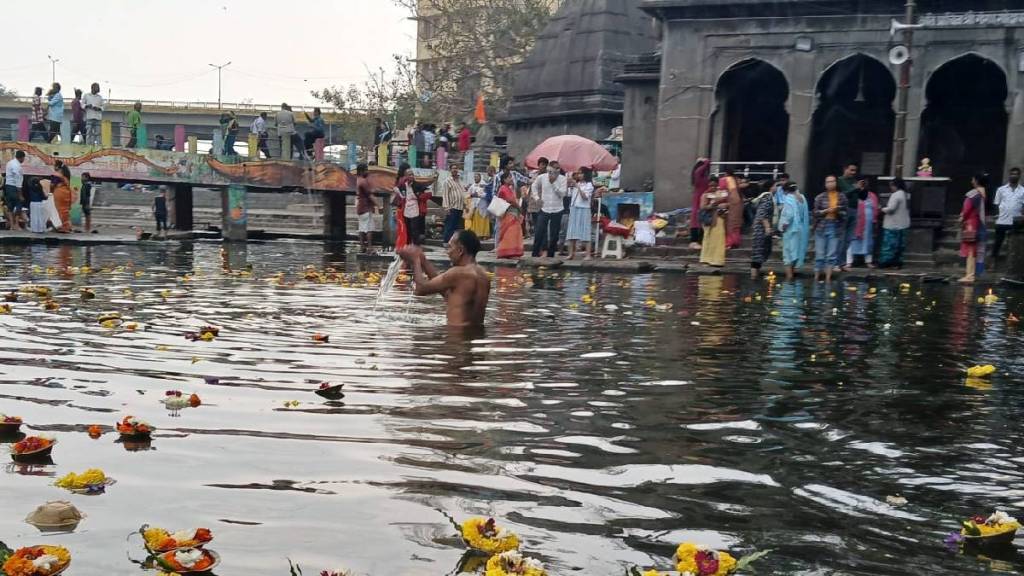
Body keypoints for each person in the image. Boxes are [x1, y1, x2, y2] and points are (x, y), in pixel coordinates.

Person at [397, 230, 491, 328]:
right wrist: (423, 261)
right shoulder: (483, 275)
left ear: (460, 251)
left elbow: (420, 289)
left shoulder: (458, 272)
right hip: (474, 335)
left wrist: (415, 260)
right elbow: (449, 295)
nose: (447, 252)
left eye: (450, 247)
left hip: (455, 338)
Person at [812, 175, 848, 283]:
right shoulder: (820, 197)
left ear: (836, 183)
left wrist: (837, 211)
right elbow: (815, 213)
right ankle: (816, 278)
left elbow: (845, 213)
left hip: (835, 225)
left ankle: (828, 279)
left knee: (831, 254)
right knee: (819, 254)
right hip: (821, 226)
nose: (830, 184)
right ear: (825, 184)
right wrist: (825, 211)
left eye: (832, 181)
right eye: (828, 182)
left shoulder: (841, 197)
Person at [532, 159, 568, 258]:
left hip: (557, 209)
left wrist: (553, 183)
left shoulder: (562, 179)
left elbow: (563, 194)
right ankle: (535, 254)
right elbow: (534, 186)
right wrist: (537, 198)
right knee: (539, 231)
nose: (556, 171)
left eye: (558, 169)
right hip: (544, 208)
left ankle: (551, 255)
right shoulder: (542, 177)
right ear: (549, 169)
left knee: (554, 234)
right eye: (553, 169)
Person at [959, 173, 988, 284]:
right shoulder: (982, 194)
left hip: (971, 224)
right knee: (974, 250)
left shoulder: (973, 194)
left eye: (972, 179)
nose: (971, 181)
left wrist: (961, 218)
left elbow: (966, 209)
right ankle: (972, 274)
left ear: (976, 181)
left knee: (970, 251)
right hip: (978, 223)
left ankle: (969, 275)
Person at [393, 163, 430, 246]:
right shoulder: (402, 184)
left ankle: (415, 247)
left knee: (414, 230)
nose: (411, 176)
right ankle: (407, 246)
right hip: (405, 210)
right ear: (405, 176)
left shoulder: (417, 185)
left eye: (412, 174)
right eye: (409, 175)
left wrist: (419, 196)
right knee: (407, 229)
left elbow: (428, 192)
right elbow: (396, 190)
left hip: (415, 210)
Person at [992, 167, 1024, 263]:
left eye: (1016, 174)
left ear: (1019, 176)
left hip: (1016, 221)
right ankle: (993, 261)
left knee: (1015, 243)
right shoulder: (1001, 190)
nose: (1014, 175)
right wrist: (997, 215)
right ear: (1009, 175)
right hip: (1002, 220)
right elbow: (996, 203)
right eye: (1012, 174)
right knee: (998, 242)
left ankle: (1013, 263)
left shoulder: (1023, 190)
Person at [778, 183, 810, 281]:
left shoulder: (789, 198)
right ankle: (792, 276)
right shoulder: (802, 198)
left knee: (787, 255)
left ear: (786, 191)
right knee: (795, 253)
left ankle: (789, 279)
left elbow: (789, 215)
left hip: (791, 229)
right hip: (800, 228)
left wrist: (783, 226)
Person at [845, 177, 879, 268]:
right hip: (856, 221)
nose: (863, 185)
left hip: (868, 224)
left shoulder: (872, 195)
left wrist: (874, 221)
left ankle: (868, 261)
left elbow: (875, 209)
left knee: (868, 242)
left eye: (865, 183)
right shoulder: (854, 194)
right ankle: (849, 261)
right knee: (852, 240)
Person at [878, 178, 911, 269]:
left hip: (892, 225)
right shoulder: (906, 195)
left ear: (895, 185)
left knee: (889, 245)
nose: (891, 188)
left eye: (891, 185)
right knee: (900, 245)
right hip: (903, 224)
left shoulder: (896, 195)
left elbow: (891, 209)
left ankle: (885, 262)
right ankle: (897, 263)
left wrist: (881, 208)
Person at [566, 166, 595, 259]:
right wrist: (569, 184)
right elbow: (568, 194)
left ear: (585, 174)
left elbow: (585, 197)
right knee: (572, 231)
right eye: (578, 173)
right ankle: (571, 253)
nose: (579, 175)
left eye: (581, 173)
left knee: (585, 231)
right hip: (574, 208)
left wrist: (577, 186)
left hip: (584, 209)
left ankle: (588, 254)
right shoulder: (575, 185)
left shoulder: (589, 185)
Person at [699, 178, 728, 267]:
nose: (713, 187)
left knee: (719, 239)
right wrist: (714, 204)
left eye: (715, 185)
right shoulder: (705, 194)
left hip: (719, 218)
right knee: (708, 239)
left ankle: (717, 260)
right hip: (709, 220)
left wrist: (724, 205)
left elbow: (728, 202)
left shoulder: (721, 193)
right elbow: (703, 207)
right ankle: (706, 259)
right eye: (711, 185)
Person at [495, 172, 523, 259]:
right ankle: (508, 253)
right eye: (509, 177)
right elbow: (511, 200)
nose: (511, 179)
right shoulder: (504, 188)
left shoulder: (507, 188)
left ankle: (511, 252)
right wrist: (519, 207)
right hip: (509, 213)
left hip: (510, 213)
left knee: (512, 233)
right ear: (504, 180)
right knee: (511, 233)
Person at [837, 162, 859, 270]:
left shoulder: (854, 182)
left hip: (855, 210)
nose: (853, 173)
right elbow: (843, 194)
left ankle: (842, 263)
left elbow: (862, 197)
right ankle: (836, 263)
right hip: (844, 210)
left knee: (848, 239)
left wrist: (863, 188)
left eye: (855, 171)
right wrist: (855, 188)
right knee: (841, 238)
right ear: (845, 169)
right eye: (851, 170)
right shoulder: (839, 181)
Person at [750, 187, 775, 279]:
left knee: (760, 252)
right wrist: (767, 227)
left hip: (759, 229)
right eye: (776, 186)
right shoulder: (767, 198)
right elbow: (762, 214)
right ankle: (754, 276)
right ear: (771, 187)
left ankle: (756, 274)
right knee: (758, 252)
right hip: (761, 230)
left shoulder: (764, 197)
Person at [440, 163, 467, 243]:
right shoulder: (447, 181)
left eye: (456, 168)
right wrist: (446, 207)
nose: (455, 170)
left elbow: (462, 192)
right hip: (452, 207)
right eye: (453, 168)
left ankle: (452, 242)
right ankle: (446, 241)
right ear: (450, 170)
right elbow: (445, 195)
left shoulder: (459, 180)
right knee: (450, 226)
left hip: (460, 207)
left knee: (456, 226)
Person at [355, 163, 378, 253]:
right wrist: (378, 205)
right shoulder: (363, 182)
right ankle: (370, 248)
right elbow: (370, 196)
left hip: (360, 208)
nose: (367, 171)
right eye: (366, 170)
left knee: (361, 228)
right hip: (365, 208)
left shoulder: (358, 180)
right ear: (361, 171)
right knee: (369, 229)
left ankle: (362, 247)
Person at [720, 169, 743, 248]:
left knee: (730, 224)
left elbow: (723, 193)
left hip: (731, 203)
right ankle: (736, 242)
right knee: (736, 224)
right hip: (739, 204)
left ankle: (730, 242)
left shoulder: (725, 179)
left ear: (726, 173)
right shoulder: (735, 180)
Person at [3, 151, 25, 230]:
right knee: (19, 204)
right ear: (22, 157)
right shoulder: (17, 166)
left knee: (10, 206)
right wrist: (20, 194)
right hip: (14, 187)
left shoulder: (9, 163)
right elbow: (18, 181)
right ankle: (16, 225)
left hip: (8, 186)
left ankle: (12, 225)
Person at [465, 173, 490, 239]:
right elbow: (468, 194)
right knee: (476, 220)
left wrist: (477, 195)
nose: (475, 178)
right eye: (475, 177)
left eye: (477, 177)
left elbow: (486, 194)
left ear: (480, 177)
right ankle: (478, 234)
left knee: (484, 220)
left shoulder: (484, 184)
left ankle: (485, 235)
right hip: (475, 205)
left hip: (483, 205)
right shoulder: (473, 185)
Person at [50, 162, 73, 233]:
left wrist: (50, 192)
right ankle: (67, 226)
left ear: (57, 167)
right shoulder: (66, 175)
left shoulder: (56, 174)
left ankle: (61, 227)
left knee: (58, 210)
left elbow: (52, 185)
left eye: (54, 166)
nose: (53, 167)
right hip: (66, 194)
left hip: (59, 193)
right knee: (64, 210)